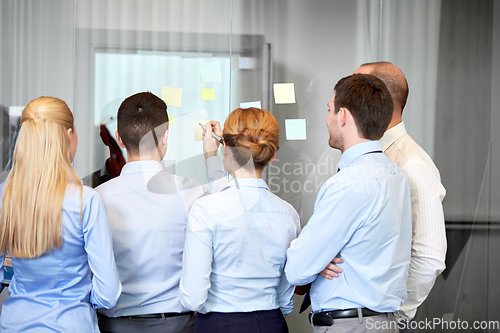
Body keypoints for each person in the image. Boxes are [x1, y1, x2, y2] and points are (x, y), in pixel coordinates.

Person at [322, 62, 447, 331]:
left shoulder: (411, 164)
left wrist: (388, 316)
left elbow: (429, 258)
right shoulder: (369, 155)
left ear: (377, 98)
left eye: (355, 87)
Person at [285, 74, 412, 333]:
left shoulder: (350, 183)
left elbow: (298, 268)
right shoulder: (395, 174)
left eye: (329, 110)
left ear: (343, 116)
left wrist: (316, 258)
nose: (327, 118)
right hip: (379, 321)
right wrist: (319, 258)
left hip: (351, 325)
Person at [0, 96, 121, 332]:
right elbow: (108, 294)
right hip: (69, 325)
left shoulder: (5, 196)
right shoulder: (85, 201)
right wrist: (76, 298)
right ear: (68, 135)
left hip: (13, 325)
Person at [180, 108, 301, 333]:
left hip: (218, 324)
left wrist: (210, 155)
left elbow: (193, 297)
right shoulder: (289, 215)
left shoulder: (206, 209)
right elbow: (285, 295)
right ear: (272, 155)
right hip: (271, 323)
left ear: (226, 148)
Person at [95, 92, 208, 333]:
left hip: (113, 325)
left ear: (119, 139)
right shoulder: (194, 193)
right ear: (165, 138)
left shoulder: (97, 198)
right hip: (178, 325)